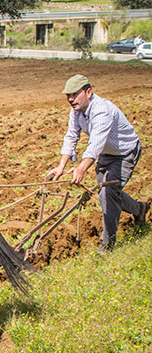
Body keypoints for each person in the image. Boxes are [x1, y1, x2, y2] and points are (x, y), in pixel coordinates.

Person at [46, 74, 149, 252]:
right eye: (68, 96)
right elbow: (71, 136)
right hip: (106, 154)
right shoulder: (76, 111)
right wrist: (61, 166)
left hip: (124, 153)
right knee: (107, 194)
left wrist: (81, 169)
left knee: (108, 194)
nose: (70, 99)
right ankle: (139, 209)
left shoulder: (102, 110)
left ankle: (108, 246)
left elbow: (96, 144)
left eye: (75, 94)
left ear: (89, 92)